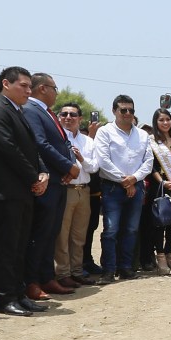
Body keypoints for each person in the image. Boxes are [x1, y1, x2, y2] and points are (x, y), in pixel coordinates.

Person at [0, 66, 49, 316]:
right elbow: (8, 148)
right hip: (3, 192)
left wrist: (42, 172)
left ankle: (18, 294)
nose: (28, 91)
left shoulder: (17, 111)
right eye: (23, 86)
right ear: (6, 84)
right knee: (5, 248)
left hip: (21, 191)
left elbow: (31, 149)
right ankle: (4, 298)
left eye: (29, 86)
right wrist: (34, 177)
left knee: (19, 246)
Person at [23, 73, 79, 298]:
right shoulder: (30, 110)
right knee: (40, 233)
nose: (57, 93)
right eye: (55, 88)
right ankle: (31, 281)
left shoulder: (48, 112)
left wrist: (70, 167)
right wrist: (67, 166)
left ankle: (47, 277)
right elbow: (40, 143)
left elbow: (65, 143)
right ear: (43, 88)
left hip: (59, 180)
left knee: (51, 233)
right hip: (46, 182)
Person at [94, 94, 154, 284]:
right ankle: (108, 270)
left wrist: (134, 179)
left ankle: (126, 268)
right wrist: (124, 181)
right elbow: (103, 160)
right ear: (114, 111)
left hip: (136, 186)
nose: (128, 113)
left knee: (131, 229)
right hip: (112, 187)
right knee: (111, 230)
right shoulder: (104, 132)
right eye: (123, 110)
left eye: (131, 110)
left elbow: (148, 161)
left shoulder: (142, 135)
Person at [54, 102, 99, 288]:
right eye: (64, 114)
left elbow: (94, 167)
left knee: (79, 235)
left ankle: (77, 271)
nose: (68, 118)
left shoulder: (88, 141)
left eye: (72, 115)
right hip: (65, 190)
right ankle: (62, 273)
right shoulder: (55, 138)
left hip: (84, 191)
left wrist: (81, 158)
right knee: (62, 235)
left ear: (80, 118)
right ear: (58, 117)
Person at [147, 109, 171, 275]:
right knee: (159, 223)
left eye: (168, 119)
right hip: (160, 187)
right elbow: (151, 166)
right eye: (161, 120)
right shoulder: (151, 141)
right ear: (156, 122)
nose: (165, 123)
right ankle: (161, 259)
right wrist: (162, 181)